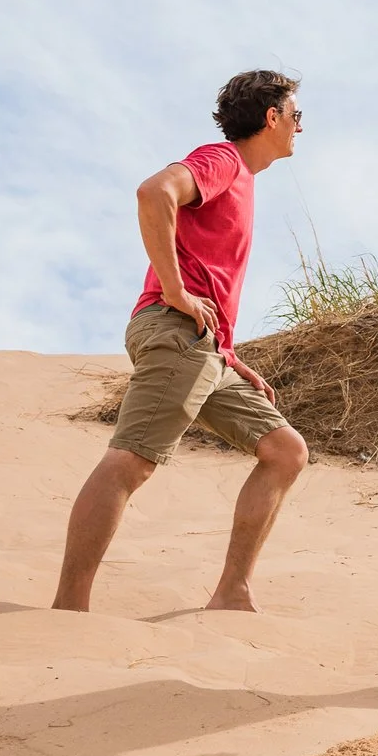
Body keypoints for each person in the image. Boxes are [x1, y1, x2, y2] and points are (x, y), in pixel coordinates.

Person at [54, 72, 309, 613]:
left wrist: (232, 358)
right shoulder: (223, 161)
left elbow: (209, 269)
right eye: (296, 115)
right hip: (177, 331)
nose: (300, 127)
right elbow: (154, 193)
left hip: (207, 349)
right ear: (271, 117)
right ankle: (69, 608)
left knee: (285, 451)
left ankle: (232, 591)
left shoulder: (243, 179)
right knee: (131, 461)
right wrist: (175, 290)